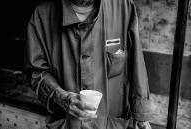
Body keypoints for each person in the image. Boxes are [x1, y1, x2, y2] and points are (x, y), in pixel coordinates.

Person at [24, 0, 152, 129]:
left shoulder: (123, 6)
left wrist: (141, 115)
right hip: (67, 124)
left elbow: (136, 63)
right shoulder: (43, 14)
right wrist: (60, 96)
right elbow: (35, 71)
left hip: (113, 124)